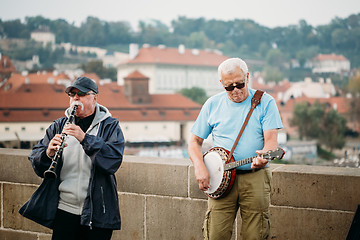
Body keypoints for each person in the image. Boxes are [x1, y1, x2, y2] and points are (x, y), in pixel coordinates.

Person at [188, 58, 283, 240]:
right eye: (229, 87)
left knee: (255, 234)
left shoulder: (266, 102)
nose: (236, 91)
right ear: (221, 84)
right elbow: (194, 141)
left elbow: (272, 142)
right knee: (216, 234)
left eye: (239, 84)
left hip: (255, 177)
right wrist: (200, 167)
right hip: (220, 179)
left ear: (247, 77)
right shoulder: (213, 104)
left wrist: (264, 156)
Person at [27, 76, 125, 240]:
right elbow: (36, 160)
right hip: (64, 209)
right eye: (72, 95)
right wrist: (47, 154)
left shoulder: (110, 126)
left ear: (94, 97)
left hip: (97, 212)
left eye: (81, 94)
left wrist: (84, 139)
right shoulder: (59, 125)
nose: (76, 98)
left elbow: (113, 160)